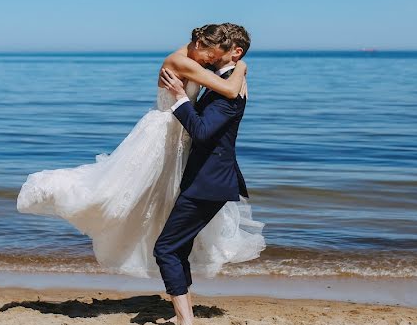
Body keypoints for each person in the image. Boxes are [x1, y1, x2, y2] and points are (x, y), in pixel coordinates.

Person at [16, 24, 264, 287]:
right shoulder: (183, 62)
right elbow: (229, 90)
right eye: (210, 55)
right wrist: (242, 68)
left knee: (156, 202)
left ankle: (169, 260)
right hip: (163, 133)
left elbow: (220, 78)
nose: (212, 62)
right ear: (199, 45)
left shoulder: (194, 59)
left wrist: (233, 67)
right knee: (117, 193)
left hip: (178, 135)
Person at [153, 22, 253, 325]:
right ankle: (186, 319)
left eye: (217, 50)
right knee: (176, 247)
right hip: (203, 177)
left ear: (234, 53)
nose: (209, 57)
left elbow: (202, 131)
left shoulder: (231, 94)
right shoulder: (224, 80)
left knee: (165, 249)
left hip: (209, 181)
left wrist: (181, 97)